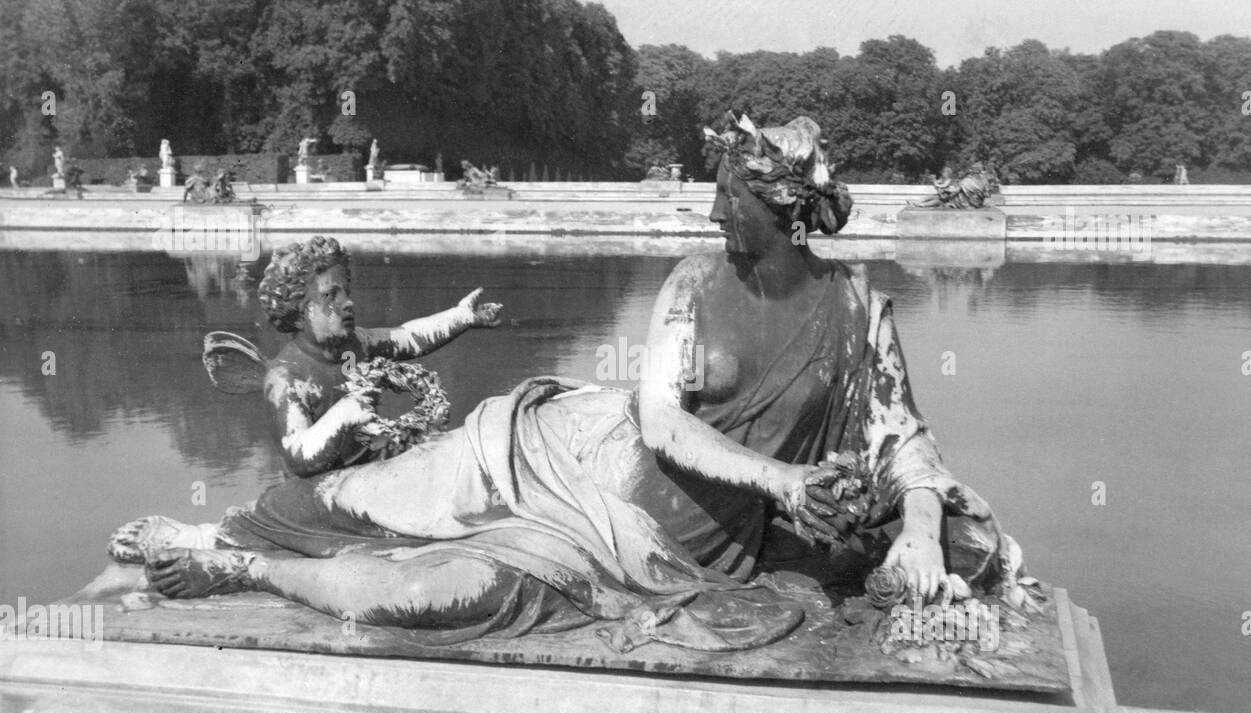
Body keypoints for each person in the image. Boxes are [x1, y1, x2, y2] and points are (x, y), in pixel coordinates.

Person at [108, 115, 1026, 652]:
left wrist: (916, 532)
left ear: (782, 212)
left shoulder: (858, 307)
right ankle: (222, 538)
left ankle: (252, 571)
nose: (711, 209)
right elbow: (662, 423)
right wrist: (784, 480)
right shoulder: (692, 288)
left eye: (729, 197)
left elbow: (904, 437)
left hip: (655, 554)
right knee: (361, 496)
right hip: (565, 462)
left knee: (437, 600)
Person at [255, 236, 503, 478]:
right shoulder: (286, 376)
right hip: (326, 483)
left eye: (346, 292)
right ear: (297, 312)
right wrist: (344, 414)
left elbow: (408, 337)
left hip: (373, 464)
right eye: (330, 296)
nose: (348, 302)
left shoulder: (356, 345)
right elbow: (297, 457)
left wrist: (461, 317)